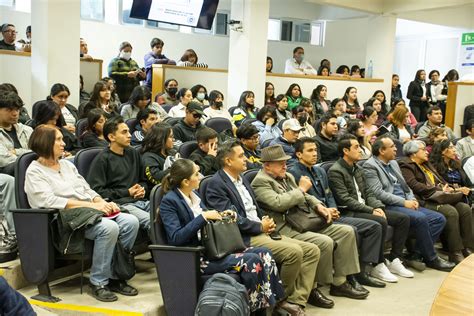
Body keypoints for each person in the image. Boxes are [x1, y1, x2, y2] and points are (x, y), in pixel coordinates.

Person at [25, 125, 140, 302]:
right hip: (63, 221)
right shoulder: (34, 171)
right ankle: (98, 282)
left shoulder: (66, 165)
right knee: (108, 228)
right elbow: (49, 202)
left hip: (87, 212)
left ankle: (115, 277)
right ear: (45, 142)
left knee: (130, 222)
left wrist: (99, 201)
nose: (64, 143)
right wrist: (91, 206)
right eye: (58, 140)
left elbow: (86, 188)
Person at [205, 141, 323, 313]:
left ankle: (296, 300)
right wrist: (260, 226)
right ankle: (280, 301)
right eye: (240, 156)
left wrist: (265, 221)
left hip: (262, 229)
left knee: (312, 250)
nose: (246, 159)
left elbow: (253, 208)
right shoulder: (216, 184)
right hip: (243, 236)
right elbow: (231, 219)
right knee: (294, 252)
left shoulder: (242, 179)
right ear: (228, 161)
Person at [159, 159, 285, 313]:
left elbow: (210, 222)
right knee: (251, 261)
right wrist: (203, 217)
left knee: (264, 253)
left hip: (215, 249)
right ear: (186, 181)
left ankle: (275, 304)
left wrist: (223, 215)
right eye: (197, 174)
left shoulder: (194, 195)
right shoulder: (169, 202)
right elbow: (176, 238)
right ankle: (255, 311)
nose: (200, 177)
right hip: (197, 258)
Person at [252, 145, 368, 301]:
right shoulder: (260, 182)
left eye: (285, 162)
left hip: (303, 220)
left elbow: (306, 197)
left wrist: (319, 205)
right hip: (284, 228)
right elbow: (278, 203)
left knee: (346, 232)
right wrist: (300, 190)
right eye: (280, 163)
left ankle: (340, 282)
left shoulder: (286, 176)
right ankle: (313, 288)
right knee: (324, 242)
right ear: (267, 165)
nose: (285, 166)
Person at [289, 138, 387, 288]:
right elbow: (303, 201)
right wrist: (326, 211)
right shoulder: (294, 173)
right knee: (357, 229)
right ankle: (351, 276)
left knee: (374, 225)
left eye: (316, 150)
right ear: (299, 154)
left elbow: (329, 195)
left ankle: (360, 272)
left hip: (330, 215)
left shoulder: (319, 170)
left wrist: (333, 209)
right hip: (314, 218)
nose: (315, 154)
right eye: (310, 150)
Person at [327, 134, 412, 282]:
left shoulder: (358, 168)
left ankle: (394, 259)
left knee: (402, 219)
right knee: (380, 221)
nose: (360, 150)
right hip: (350, 211)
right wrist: (371, 210)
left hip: (365, 208)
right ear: (346, 151)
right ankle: (376, 264)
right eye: (356, 147)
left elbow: (368, 192)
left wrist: (377, 206)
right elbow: (345, 199)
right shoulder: (336, 171)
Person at [364, 136, 452, 272]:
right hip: (388, 205)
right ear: (381, 150)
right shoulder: (370, 166)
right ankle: (432, 258)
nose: (396, 149)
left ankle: (416, 254)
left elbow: (406, 187)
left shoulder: (393, 163)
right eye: (392, 146)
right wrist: (404, 202)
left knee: (438, 218)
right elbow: (378, 193)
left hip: (405, 202)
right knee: (421, 218)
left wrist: (412, 199)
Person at [399, 140, 474, 264]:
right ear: (413, 153)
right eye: (422, 149)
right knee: (450, 212)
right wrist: (438, 189)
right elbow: (414, 185)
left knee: (464, 208)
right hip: (424, 199)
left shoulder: (426, 164)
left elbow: (441, 181)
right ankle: (455, 252)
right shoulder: (406, 165)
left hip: (440, 196)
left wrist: (451, 188)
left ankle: (468, 248)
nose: (426, 151)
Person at [87, 117, 151, 232]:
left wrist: (142, 189)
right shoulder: (102, 160)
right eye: (124, 132)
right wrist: (127, 192)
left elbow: (143, 180)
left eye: (129, 131)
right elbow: (97, 192)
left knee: (167, 215)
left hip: (141, 201)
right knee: (151, 221)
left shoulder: (133, 153)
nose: (130, 135)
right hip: (121, 204)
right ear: (111, 137)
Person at [0, 91, 32, 175]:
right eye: (9, 110)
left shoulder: (27, 130)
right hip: (7, 173)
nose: (15, 114)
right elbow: (4, 160)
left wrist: (16, 152)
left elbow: (40, 152)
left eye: (17, 109)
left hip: (30, 169)